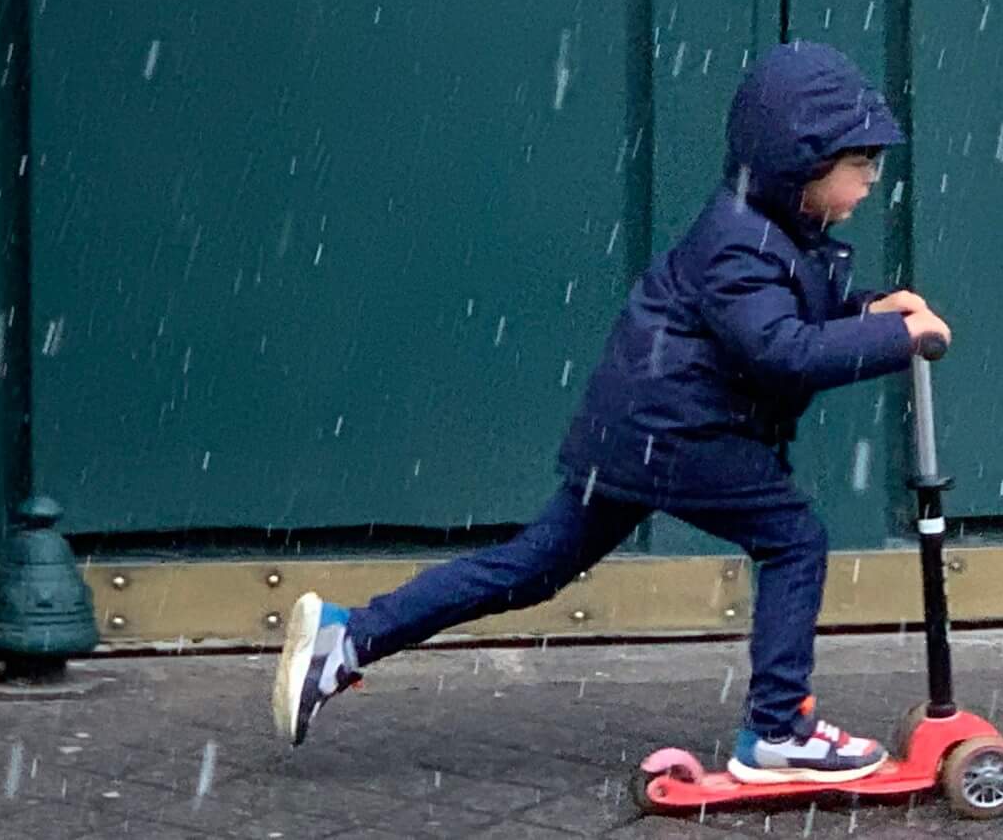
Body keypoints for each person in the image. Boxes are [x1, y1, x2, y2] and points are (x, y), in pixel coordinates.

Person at [272, 41, 950, 784]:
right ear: (803, 163)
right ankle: (777, 727)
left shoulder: (765, 230)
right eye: (862, 166)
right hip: (680, 434)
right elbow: (780, 349)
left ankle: (349, 637)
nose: (871, 183)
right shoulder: (741, 245)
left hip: (637, 431)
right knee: (795, 540)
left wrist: (870, 311)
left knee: (534, 564)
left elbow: (793, 316)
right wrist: (895, 337)